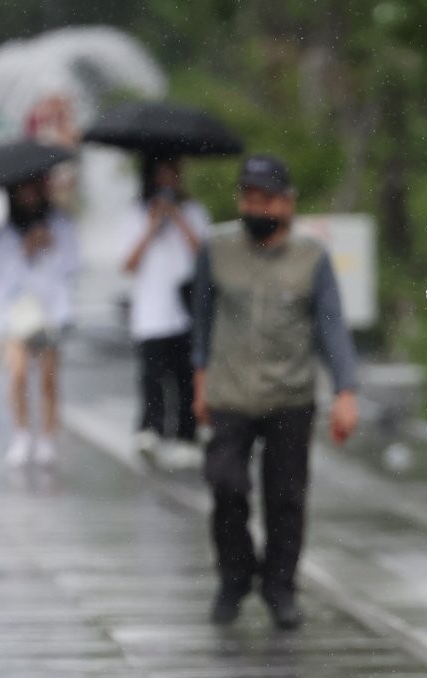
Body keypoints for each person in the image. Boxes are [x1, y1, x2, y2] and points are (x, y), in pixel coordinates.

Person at [192, 154, 360, 629]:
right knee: (225, 485)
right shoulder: (217, 249)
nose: (255, 206)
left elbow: (332, 329)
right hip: (229, 394)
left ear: (287, 203)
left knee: (286, 499)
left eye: (265, 198)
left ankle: (279, 587)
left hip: (290, 396)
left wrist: (346, 391)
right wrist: (200, 379)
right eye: (248, 196)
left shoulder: (312, 258)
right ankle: (234, 575)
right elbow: (201, 320)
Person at [0, 176, 80, 466]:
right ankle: (21, 434)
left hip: (51, 312)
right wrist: (25, 250)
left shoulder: (60, 225)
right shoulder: (5, 235)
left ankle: (47, 437)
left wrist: (49, 246)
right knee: (18, 375)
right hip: (16, 315)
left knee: (49, 379)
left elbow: (73, 266)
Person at [120, 157, 209, 465]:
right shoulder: (137, 214)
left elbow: (205, 256)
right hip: (151, 310)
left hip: (185, 309)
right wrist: (153, 225)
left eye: (173, 175)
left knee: (186, 376)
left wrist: (179, 219)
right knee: (152, 375)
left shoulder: (194, 211)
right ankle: (150, 429)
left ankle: (187, 433)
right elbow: (128, 264)